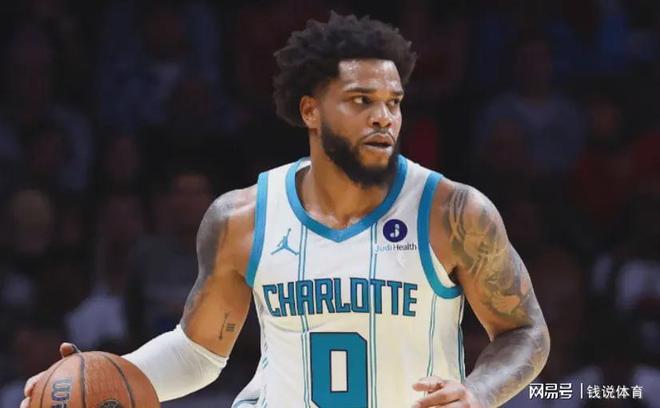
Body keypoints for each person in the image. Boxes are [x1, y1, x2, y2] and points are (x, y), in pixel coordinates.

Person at [21, 13, 550, 408]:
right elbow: (198, 352)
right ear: (310, 111)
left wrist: (479, 392)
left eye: (394, 102)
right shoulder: (241, 219)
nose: (384, 117)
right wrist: (99, 376)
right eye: (361, 100)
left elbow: (525, 331)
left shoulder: (454, 212)